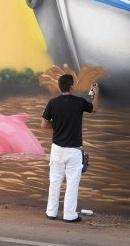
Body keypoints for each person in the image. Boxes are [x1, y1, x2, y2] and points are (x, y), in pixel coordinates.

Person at [41, 74, 98, 222]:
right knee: (72, 183)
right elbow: (95, 109)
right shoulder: (79, 102)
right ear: (72, 86)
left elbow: (44, 125)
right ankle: (69, 215)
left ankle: (51, 212)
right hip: (74, 151)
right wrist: (96, 94)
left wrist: (58, 125)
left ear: (60, 86)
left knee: (55, 181)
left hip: (57, 150)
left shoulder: (52, 103)